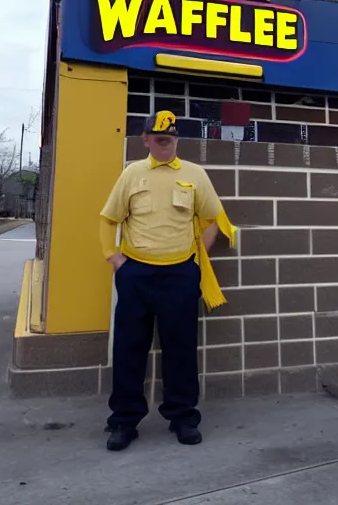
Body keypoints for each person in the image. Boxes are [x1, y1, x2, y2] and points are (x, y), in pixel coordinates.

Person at [99, 110, 236, 451]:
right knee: (129, 349)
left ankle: (183, 417)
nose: (165, 143)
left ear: (176, 140)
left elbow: (211, 221)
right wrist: (114, 259)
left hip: (180, 275)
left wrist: (192, 259)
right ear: (145, 139)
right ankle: (124, 421)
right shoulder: (132, 174)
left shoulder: (195, 175)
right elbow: (108, 219)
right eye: (159, 138)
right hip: (136, 275)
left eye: (170, 138)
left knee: (181, 349)